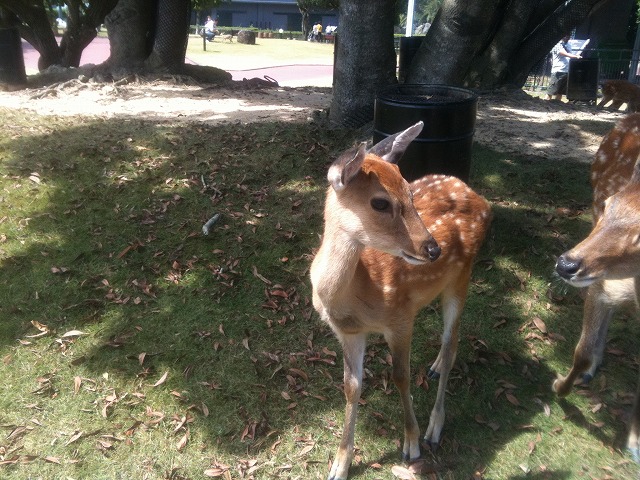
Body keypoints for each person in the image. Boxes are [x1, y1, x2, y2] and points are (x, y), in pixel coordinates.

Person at [546, 35, 582, 101]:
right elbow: (564, 53)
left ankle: (557, 104)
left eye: (568, 36)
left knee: (560, 91)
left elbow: (570, 53)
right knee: (551, 91)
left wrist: (575, 55)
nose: (567, 38)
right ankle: (546, 102)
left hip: (566, 70)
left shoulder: (568, 45)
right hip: (558, 70)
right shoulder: (557, 44)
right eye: (565, 36)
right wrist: (575, 56)